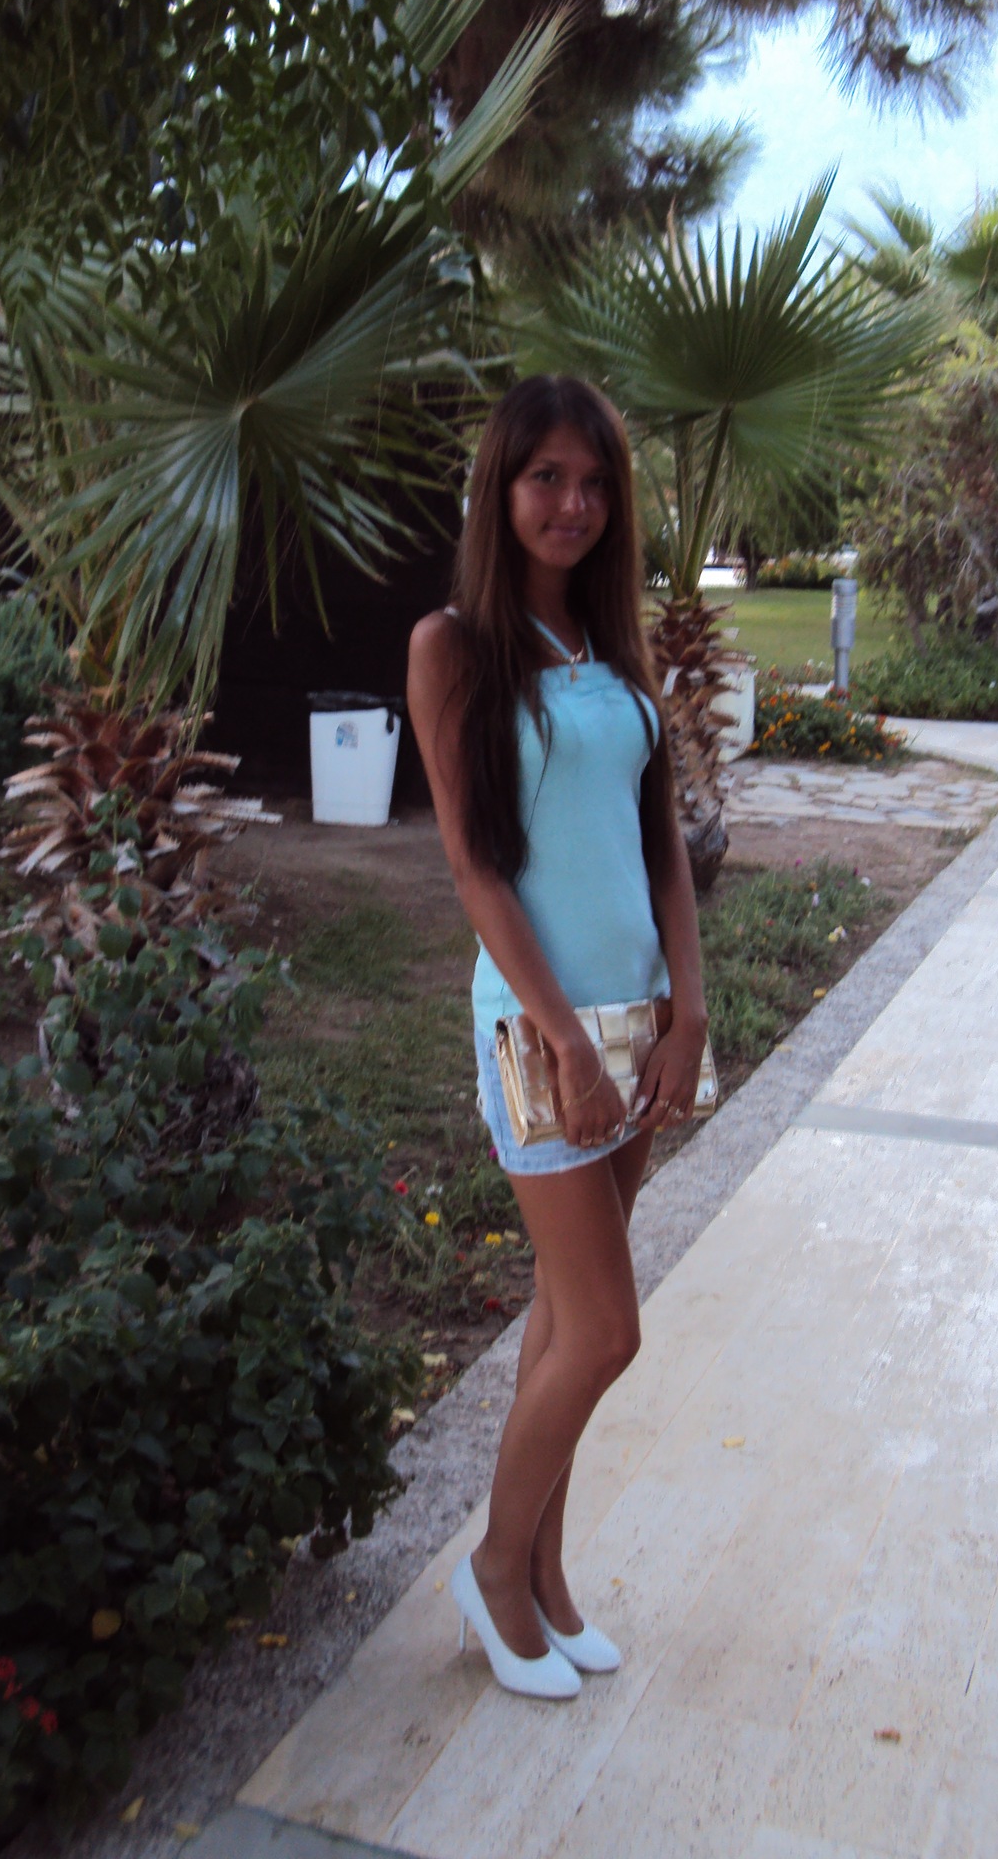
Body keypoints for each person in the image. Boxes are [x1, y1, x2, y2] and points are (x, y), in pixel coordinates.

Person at [406, 376, 708, 1702]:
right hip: (539, 1034)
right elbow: (475, 868)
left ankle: (544, 1575)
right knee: (603, 1331)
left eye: (594, 482)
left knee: (558, 1317)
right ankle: (490, 1570)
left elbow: (662, 847)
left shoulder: (613, 642)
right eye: (548, 478)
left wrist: (688, 1007)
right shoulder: (454, 647)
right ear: (502, 487)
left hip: (638, 1019)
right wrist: (567, 1044)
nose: (573, 504)